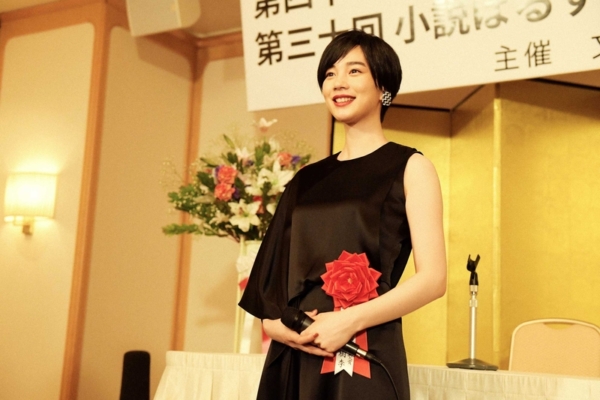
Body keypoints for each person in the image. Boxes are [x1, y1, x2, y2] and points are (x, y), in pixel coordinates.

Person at [239, 29, 447, 399]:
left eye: (354, 71)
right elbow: (269, 290)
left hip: (362, 348)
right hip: (295, 352)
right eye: (330, 73)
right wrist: (280, 328)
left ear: (383, 86)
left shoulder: (411, 167)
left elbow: (433, 279)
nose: (338, 82)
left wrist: (347, 321)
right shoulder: (305, 180)